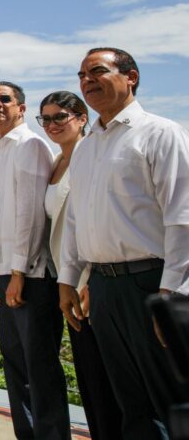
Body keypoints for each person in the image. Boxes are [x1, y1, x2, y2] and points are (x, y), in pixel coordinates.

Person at [58, 47, 189, 438]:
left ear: (130, 76)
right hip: (102, 288)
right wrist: (69, 278)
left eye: (97, 71)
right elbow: (77, 217)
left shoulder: (160, 133)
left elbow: (182, 218)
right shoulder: (87, 146)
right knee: (129, 402)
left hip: (150, 285)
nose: (86, 81)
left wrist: (171, 298)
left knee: (166, 400)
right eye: (81, 75)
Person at [0, 82, 68, 440]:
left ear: (21, 107)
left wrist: (18, 271)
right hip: (1, 273)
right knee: (15, 366)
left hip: (30, 275)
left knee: (40, 367)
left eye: (6, 99)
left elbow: (31, 215)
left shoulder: (30, 146)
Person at [37, 90, 123, 440]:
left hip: (92, 281)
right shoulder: (56, 162)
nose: (53, 124)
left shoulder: (92, 157)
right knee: (90, 378)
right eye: (46, 119)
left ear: (81, 118)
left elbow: (95, 220)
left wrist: (87, 277)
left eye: (61, 117)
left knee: (112, 380)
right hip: (65, 281)